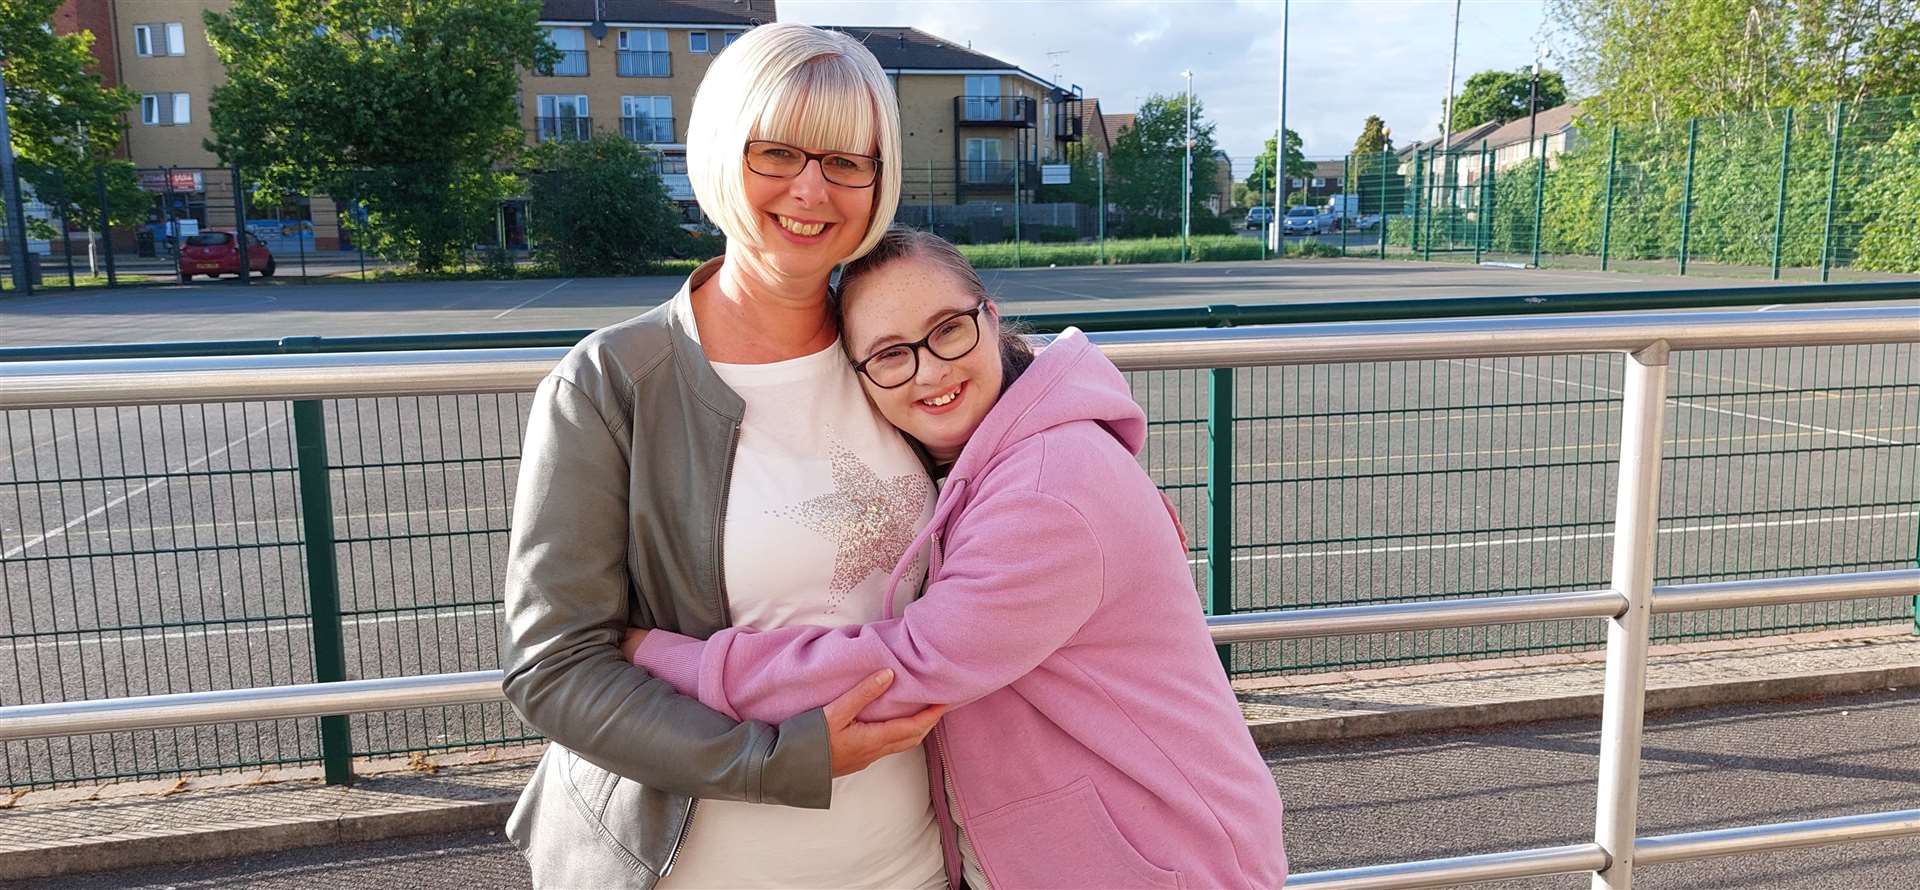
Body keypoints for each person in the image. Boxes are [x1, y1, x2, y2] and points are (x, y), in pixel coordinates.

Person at [628, 228, 1290, 890]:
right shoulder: (978, 461)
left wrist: (659, 658)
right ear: (859, 378)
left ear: (990, 318)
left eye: (948, 330)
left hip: (1158, 859)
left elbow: (905, 665)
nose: (930, 370)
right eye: (890, 354)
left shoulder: (1050, 489)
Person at [500, 25, 951, 889]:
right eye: (776, 151)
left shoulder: (903, 357)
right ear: (717, 154)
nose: (812, 188)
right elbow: (552, 665)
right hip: (692, 870)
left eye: (847, 160)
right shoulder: (612, 380)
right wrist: (774, 758)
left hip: (913, 861)